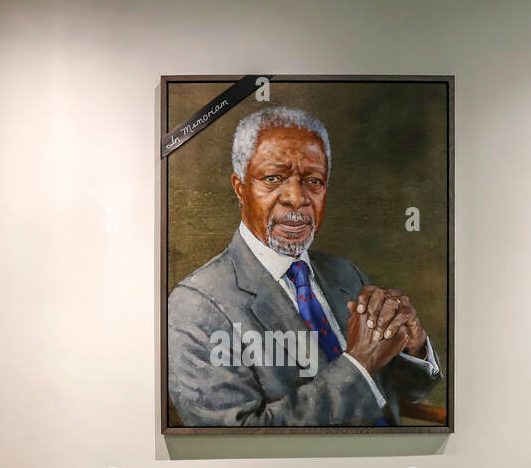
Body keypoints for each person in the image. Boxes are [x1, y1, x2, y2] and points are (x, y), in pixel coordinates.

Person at [167, 106, 442, 426]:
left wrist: (414, 344)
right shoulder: (197, 304)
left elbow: (401, 391)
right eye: (273, 178)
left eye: (314, 180)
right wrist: (359, 362)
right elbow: (238, 437)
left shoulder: (345, 274)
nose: (297, 198)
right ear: (240, 187)